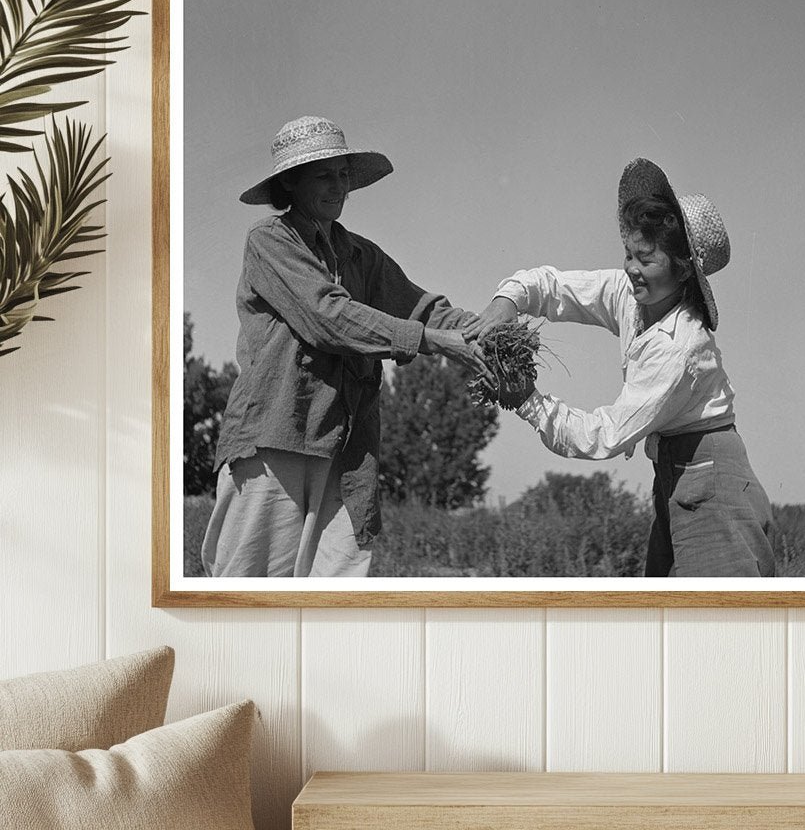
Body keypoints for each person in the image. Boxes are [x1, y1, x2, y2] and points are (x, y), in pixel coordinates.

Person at [201, 116, 493, 578]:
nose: (338, 186)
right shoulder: (269, 240)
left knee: (338, 588)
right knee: (253, 588)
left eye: (343, 174)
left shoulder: (362, 255)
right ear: (290, 182)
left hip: (345, 447)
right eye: (323, 175)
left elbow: (422, 308)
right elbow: (326, 317)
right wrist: (428, 341)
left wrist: (489, 332)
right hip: (276, 436)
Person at [463, 158, 776, 577]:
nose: (630, 268)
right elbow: (553, 286)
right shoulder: (632, 296)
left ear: (682, 269)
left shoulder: (678, 347)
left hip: (713, 486)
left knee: (717, 626)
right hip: (677, 475)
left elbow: (605, 435)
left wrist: (527, 401)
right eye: (628, 253)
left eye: (645, 258)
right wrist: (508, 301)